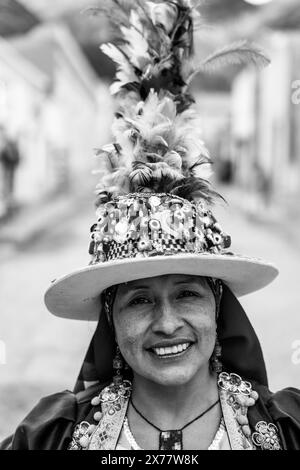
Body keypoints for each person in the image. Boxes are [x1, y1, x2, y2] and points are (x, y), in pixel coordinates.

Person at [1, 0, 300, 451]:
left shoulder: (288, 431)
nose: (166, 323)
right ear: (110, 318)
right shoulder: (49, 438)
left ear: (218, 306)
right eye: (139, 300)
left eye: (186, 293)